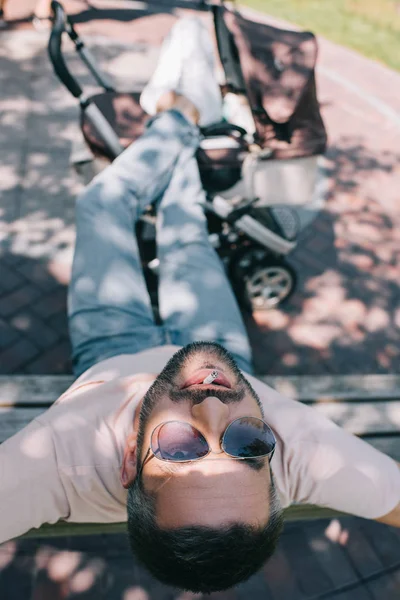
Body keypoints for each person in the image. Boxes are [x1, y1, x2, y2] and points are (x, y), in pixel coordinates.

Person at [1, 17, 399, 594]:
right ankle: (184, 133)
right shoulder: (299, 452)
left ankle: (174, 119)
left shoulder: (61, 461)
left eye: (180, 448)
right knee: (186, 226)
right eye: (247, 446)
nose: (215, 410)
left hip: (107, 349)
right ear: (273, 464)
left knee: (101, 205)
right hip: (215, 338)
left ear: (128, 464)